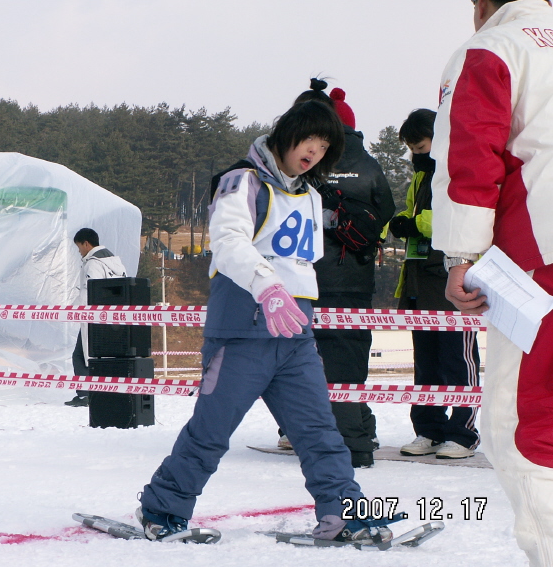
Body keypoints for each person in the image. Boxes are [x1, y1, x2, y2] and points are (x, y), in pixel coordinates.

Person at [136, 101, 401, 545]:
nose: (314, 152)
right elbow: (227, 242)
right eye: (309, 141)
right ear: (287, 134)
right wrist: (268, 287)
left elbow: (304, 262)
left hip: (295, 337)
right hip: (242, 332)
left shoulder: (311, 196)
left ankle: (344, 515)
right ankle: (162, 509)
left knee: (320, 432)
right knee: (211, 431)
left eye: (323, 147)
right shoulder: (243, 181)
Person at [430, 0, 553, 564]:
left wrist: (461, 258)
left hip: (540, 264)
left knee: (524, 421)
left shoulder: (493, 48)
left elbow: (470, 159)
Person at [277, 79, 395, 468]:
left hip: (308, 277)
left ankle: (350, 445)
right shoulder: (370, 163)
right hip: (356, 279)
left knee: (301, 361)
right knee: (350, 362)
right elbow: (387, 211)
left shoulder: (306, 161)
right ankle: (361, 429)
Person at [389, 109, 481, 461]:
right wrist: (400, 223)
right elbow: (415, 215)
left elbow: (461, 214)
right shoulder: (421, 176)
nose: (416, 154)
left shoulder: (456, 167)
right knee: (425, 362)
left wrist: (418, 223)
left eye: (421, 145)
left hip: (453, 277)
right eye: (411, 148)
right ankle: (428, 427)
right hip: (419, 276)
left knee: (457, 359)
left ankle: (463, 431)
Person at [65, 228, 127, 407]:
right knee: (102, 357)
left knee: (81, 355)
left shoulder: (93, 264)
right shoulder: (115, 262)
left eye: (79, 247)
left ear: (86, 243)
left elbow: (89, 291)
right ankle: (103, 390)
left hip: (93, 318)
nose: (79, 252)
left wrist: (76, 311)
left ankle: (85, 394)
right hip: (113, 318)